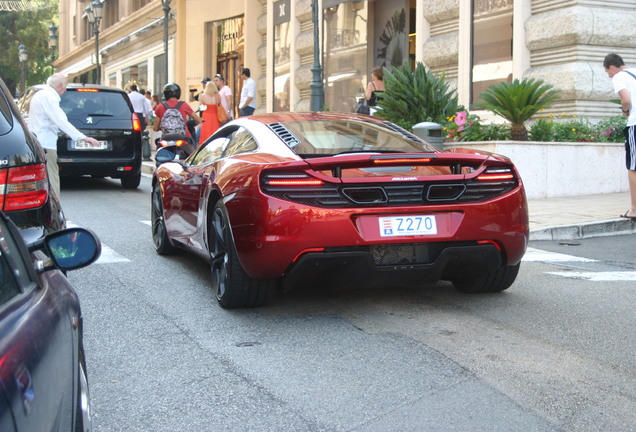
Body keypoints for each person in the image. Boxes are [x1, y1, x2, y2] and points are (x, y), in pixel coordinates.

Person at [28, 73, 99, 197]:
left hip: (38, 141)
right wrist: (83, 137)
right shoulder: (49, 97)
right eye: (65, 86)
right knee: (52, 176)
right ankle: (55, 209)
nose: (65, 90)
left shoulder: (40, 94)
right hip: (46, 143)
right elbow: (61, 121)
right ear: (60, 85)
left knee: (41, 177)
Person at [604, 53, 636, 219]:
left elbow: (626, 99)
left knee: (633, 168)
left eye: (607, 72)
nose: (609, 76)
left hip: (635, 124)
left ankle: (634, 209)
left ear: (611, 67)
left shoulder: (619, 77)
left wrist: (625, 110)